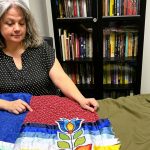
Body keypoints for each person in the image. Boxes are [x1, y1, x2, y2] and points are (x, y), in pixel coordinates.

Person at [0, 0, 99, 115]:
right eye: (10, 23)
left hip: (49, 110)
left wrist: (81, 99)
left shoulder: (40, 47)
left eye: (22, 23)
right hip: (12, 114)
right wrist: (6, 104)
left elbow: (61, 78)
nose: (17, 28)